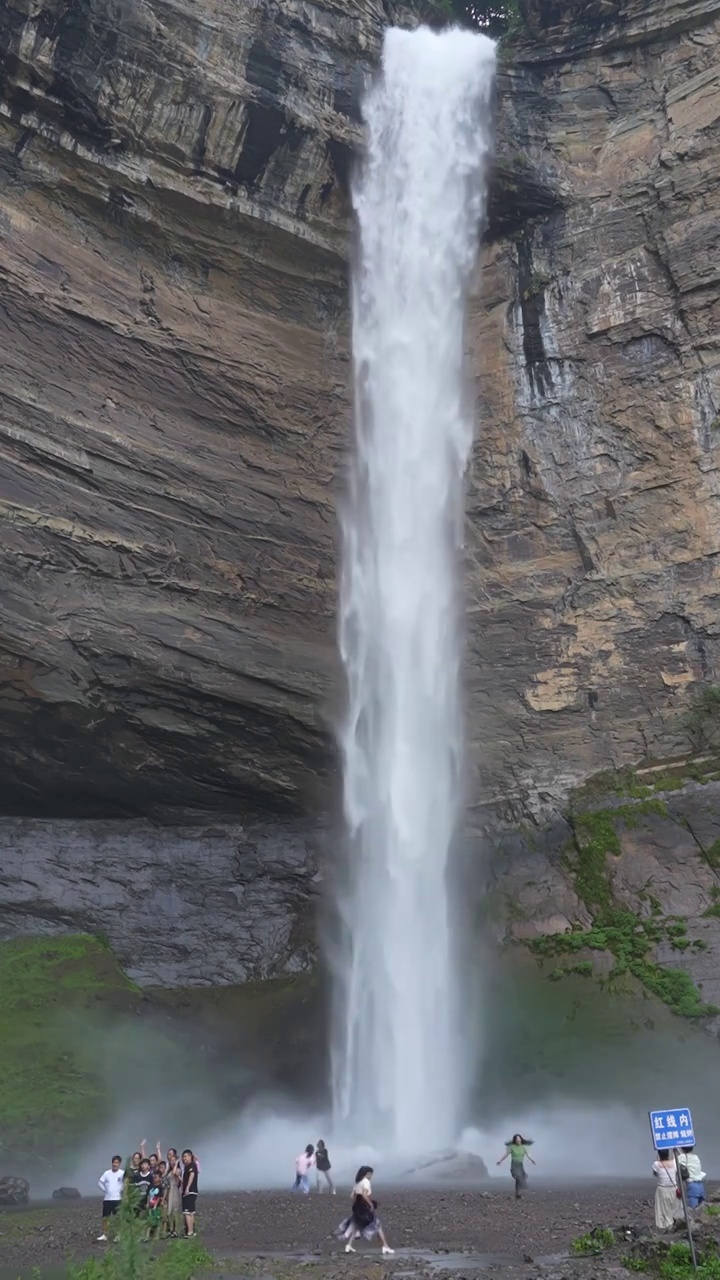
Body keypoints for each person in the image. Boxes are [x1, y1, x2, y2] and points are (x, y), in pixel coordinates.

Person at [338, 1165, 394, 1254]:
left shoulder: (357, 1182)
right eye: (371, 1174)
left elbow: (352, 1196)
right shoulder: (366, 1182)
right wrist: (370, 1204)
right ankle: (385, 1246)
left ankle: (349, 1246)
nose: (371, 1176)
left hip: (357, 1207)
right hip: (365, 1207)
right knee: (378, 1226)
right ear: (367, 1174)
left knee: (356, 1226)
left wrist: (356, 1206)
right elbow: (364, 1194)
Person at [497, 1134, 536, 1199]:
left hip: (520, 1165)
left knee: (522, 1177)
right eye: (517, 1139)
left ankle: (518, 1193)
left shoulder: (523, 1147)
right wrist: (500, 1161)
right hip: (514, 1164)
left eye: (519, 1138)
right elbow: (506, 1155)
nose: (518, 1140)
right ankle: (523, 1186)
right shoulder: (512, 1147)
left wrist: (532, 1160)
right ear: (515, 1140)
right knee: (518, 1176)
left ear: (521, 1139)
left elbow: (528, 1155)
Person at [97, 1155, 124, 1242]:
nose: (115, 1164)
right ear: (112, 1163)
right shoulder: (107, 1173)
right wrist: (105, 1190)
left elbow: (126, 1183)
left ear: (119, 1164)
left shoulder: (122, 1173)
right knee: (106, 1217)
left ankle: (118, 1234)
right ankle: (105, 1234)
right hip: (107, 1199)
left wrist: (122, 1190)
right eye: (114, 1162)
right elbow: (100, 1182)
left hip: (118, 1199)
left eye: (117, 1163)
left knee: (117, 1218)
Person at [653, 1149, 678, 1229]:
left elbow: (655, 1174)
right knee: (674, 1207)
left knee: (663, 1209)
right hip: (674, 1188)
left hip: (662, 1189)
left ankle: (666, 1226)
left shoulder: (657, 1164)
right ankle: (673, 1224)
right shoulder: (674, 1162)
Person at [677, 1145, 706, 1210]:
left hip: (692, 1185)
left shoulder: (681, 1157)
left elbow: (674, 1163)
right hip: (700, 1184)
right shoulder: (696, 1157)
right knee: (703, 1209)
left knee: (693, 1210)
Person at [181, 1149, 199, 1238]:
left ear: (190, 1156)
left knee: (187, 1212)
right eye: (183, 1157)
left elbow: (191, 1176)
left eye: (185, 1156)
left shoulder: (191, 1166)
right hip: (191, 1191)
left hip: (190, 1191)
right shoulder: (188, 1167)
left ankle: (190, 1232)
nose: (184, 1158)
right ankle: (191, 1231)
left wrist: (187, 1188)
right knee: (191, 1212)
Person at [164, 1153, 183, 1239]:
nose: (171, 1162)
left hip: (175, 1190)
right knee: (169, 1211)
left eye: (173, 1161)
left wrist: (176, 1163)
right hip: (169, 1190)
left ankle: (176, 1230)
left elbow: (175, 1173)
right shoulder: (169, 1170)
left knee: (174, 1210)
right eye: (170, 1161)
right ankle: (171, 1229)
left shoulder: (178, 1170)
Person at [145, 1171, 164, 1242]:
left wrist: (156, 1205)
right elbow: (148, 1195)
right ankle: (147, 1236)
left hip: (156, 1206)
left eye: (156, 1177)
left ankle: (157, 1235)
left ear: (160, 1178)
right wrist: (147, 1203)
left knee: (157, 1220)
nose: (154, 1179)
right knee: (149, 1221)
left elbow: (159, 1197)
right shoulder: (151, 1186)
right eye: (154, 1177)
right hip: (150, 1205)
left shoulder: (160, 1187)